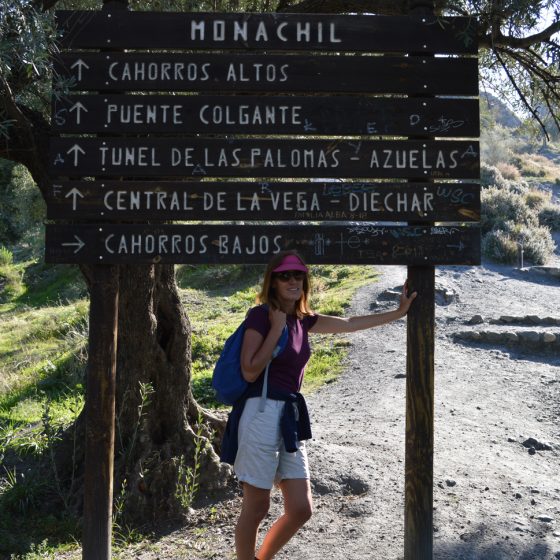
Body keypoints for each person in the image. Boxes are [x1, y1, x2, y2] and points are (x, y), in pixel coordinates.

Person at [221, 250, 417, 560]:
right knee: (257, 505)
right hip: (259, 412)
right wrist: (275, 328)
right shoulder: (260, 315)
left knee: (300, 508)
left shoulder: (303, 320)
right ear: (272, 282)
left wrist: (397, 312)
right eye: (285, 275)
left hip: (288, 416)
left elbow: (350, 322)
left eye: (298, 274)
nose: (293, 280)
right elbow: (249, 369)